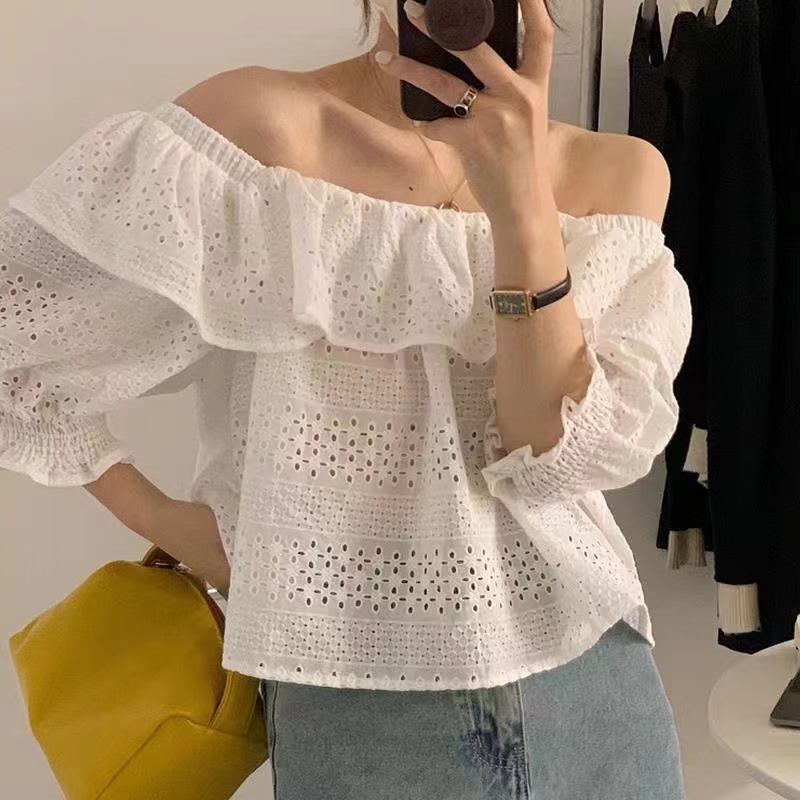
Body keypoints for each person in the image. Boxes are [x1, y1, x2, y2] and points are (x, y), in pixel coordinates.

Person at [1, 0, 691, 797]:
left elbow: (551, 455)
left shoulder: (620, 175)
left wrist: (524, 203)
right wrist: (166, 520)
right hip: (355, 706)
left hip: (594, 689)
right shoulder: (261, 130)